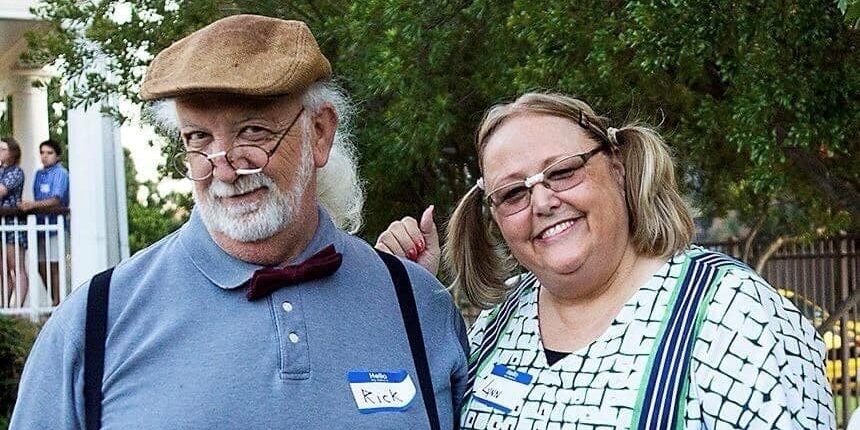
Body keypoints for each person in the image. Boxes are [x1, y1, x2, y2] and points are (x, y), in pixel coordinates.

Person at [12, 15, 467, 429]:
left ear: (320, 132)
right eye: (198, 138)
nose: (224, 169)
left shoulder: (418, 305)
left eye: (253, 132)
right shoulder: (95, 320)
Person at [376, 92, 835, 429]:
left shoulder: (739, 319)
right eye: (513, 193)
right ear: (496, 220)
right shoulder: (494, 330)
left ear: (616, 164)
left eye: (562, 171)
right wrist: (410, 296)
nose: (542, 201)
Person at [18, 139, 70, 305]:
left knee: (54, 265)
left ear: (57, 155)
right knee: (42, 266)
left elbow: (56, 199)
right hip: (40, 226)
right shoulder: (39, 174)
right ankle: (55, 299)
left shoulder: (61, 173)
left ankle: (58, 302)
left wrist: (32, 205)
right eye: (42, 153)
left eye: (49, 153)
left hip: (55, 226)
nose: (45, 156)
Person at [0, 136, 28, 307]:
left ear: (13, 153)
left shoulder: (16, 172)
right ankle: (4, 305)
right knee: (2, 269)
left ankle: (18, 307)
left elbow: (1, 191)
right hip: (1, 225)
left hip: (13, 224)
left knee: (15, 266)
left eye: (3, 149)